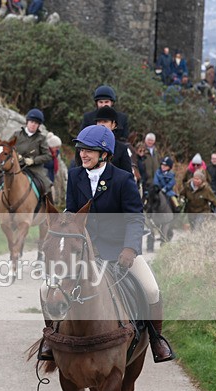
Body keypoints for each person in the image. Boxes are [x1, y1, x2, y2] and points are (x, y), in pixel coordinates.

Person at [42, 125, 175, 363]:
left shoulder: (123, 180)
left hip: (119, 251)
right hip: (84, 252)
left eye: (89, 150)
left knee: (152, 289)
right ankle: (52, 339)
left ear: (104, 154)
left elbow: (135, 217)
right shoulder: (75, 176)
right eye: (81, 149)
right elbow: (72, 213)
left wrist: (130, 248)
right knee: (46, 289)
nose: (83, 154)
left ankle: (156, 339)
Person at [0, 108, 52, 221]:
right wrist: (15, 156)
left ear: (39, 125)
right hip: (16, 166)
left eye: (36, 123)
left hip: (34, 169)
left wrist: (33, 160)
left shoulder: (41, 139)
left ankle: (50, 214)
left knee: (46, 185)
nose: (33, 125)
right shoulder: (16, 135)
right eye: (32, 122)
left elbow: (48, 155)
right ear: (27, 122)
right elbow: (7, 148)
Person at [86, 105, 134, 175]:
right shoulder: (87, 146)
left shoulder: (121, 149)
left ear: (113, 124)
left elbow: (128, 177)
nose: (101, 124)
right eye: (99, 121)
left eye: (105, 121)